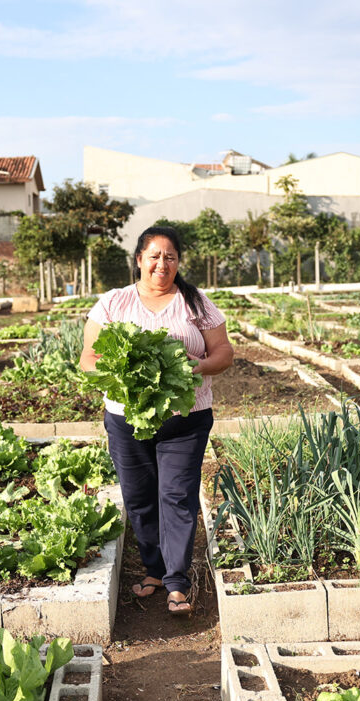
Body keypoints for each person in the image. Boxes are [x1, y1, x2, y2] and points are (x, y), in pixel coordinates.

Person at [79, 226, 235, 616]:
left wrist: (196, 367)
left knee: (177, 496)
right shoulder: (114, 303)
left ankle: (177, 582)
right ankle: (153, 569)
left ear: (178, 263)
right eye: (154, 256)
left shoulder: (196, 303)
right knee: (139, 497)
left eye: (170, 257)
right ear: (139, 260)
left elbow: (224, 353)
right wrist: (121, 375)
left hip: (187, 417)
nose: (161, 264)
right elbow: (88, 358)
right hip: (126, 417)